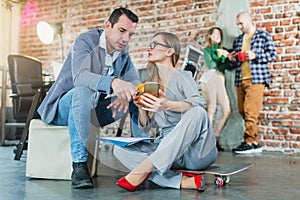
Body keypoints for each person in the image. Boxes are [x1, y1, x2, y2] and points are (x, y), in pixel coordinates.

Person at [37, 8, 143, 189]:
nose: (126, 39)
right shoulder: (86, 41)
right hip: (63, 108)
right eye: (122, 31)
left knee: (136, 100)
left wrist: (132, 92)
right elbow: (81, 77)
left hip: (91, 111)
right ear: (108, 26)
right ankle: (79, 166)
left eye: (130, 34)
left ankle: (142, 162)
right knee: (83, 90)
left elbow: (134, 80)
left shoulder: (122, 53)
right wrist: (115, 83)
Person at [113, 32, 218, 192]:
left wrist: (167, 105)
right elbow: (146, 128)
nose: (150, 47)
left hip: (194, 152)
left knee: (198, 112)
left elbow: (198, 104)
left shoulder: (183, 76)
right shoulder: (150, 84)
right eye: (150, 44)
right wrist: (141, 107)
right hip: (166, 150)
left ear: (169, 51)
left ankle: (145, 169)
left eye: (155, 44)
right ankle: (181, 182)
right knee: (118, 150)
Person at [231, 11, 277, 154]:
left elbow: (272, 54)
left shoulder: (262, 36)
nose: (239, 26)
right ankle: (255, 142)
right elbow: (235, 64)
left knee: (251, 112)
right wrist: (232, 59)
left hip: (256, 79)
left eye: (241, 23)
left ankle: (249, 141)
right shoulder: (238, 40)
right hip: (240, 79)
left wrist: (255, 55)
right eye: (237, 24)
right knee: (242, 111)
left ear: (249, 20)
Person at [200, 27, 235, 151]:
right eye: (215, 34)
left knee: (227, 110)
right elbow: (211, 65)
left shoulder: (223, 50)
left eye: (219, 34)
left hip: (220, 79)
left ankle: (215, 137)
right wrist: (223, 57)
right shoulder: (208, 50)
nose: (217, 36)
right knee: (212, 108)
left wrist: (228, 59)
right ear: (209, 36)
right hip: (210, 78)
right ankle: (206, 140)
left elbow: (223, 66)